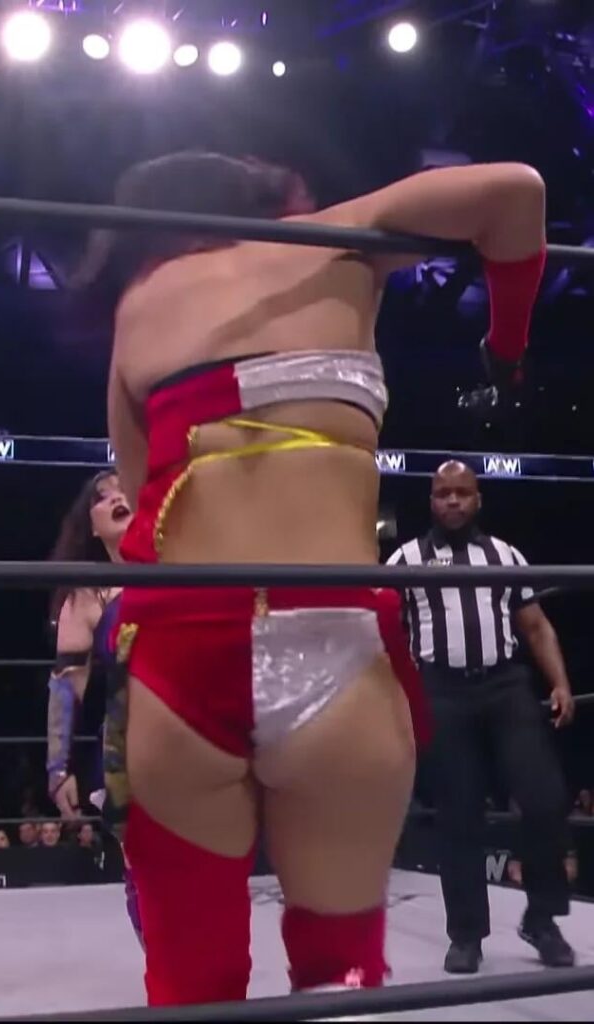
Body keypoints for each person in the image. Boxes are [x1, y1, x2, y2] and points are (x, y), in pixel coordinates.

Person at [90, 150, 546, 1006]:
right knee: (341, 974)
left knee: (191, 983)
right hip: (334, 637)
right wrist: (506, 348)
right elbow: (517, 194)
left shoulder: (143, 300)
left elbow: (141, 491)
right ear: (272, 194)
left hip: (186, 644)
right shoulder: (338, 236)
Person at [388, 460, 575, 974]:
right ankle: (466, 935)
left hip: (504, 685)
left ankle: (542, 919)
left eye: (462, 493)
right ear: (431, 501)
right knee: (459, 814)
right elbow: (386, 632)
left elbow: (535, 626)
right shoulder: (406, 559)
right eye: (443, 493)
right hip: (442, 691)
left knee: (544, 798)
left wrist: (560, 683)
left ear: (478, 499)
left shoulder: (504, 555)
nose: (453, 501)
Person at [46, 470, 142, 944]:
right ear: (91, 524)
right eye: (103, 498)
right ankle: (164, 970)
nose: (116, 497)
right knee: (142, 870)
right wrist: (58, 767)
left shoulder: (182, 564)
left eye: (124, 489)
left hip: (199, 728)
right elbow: (66, 685)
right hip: (130, 744)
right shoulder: (86, 596)